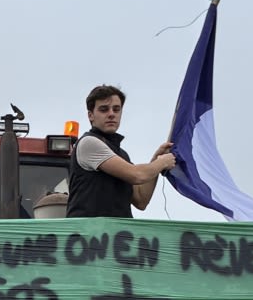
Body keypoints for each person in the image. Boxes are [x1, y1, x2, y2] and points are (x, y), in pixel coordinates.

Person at [66, 85, 177, 218]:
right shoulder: (89, 143)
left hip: (116, 236)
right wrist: (161, 163)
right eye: (104, 109)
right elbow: (137, 175)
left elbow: (141, 200)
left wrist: (156, 159)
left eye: (116, 109)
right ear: (91, 115)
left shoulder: (121, 154)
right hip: (89, 235)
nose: (111, 114)